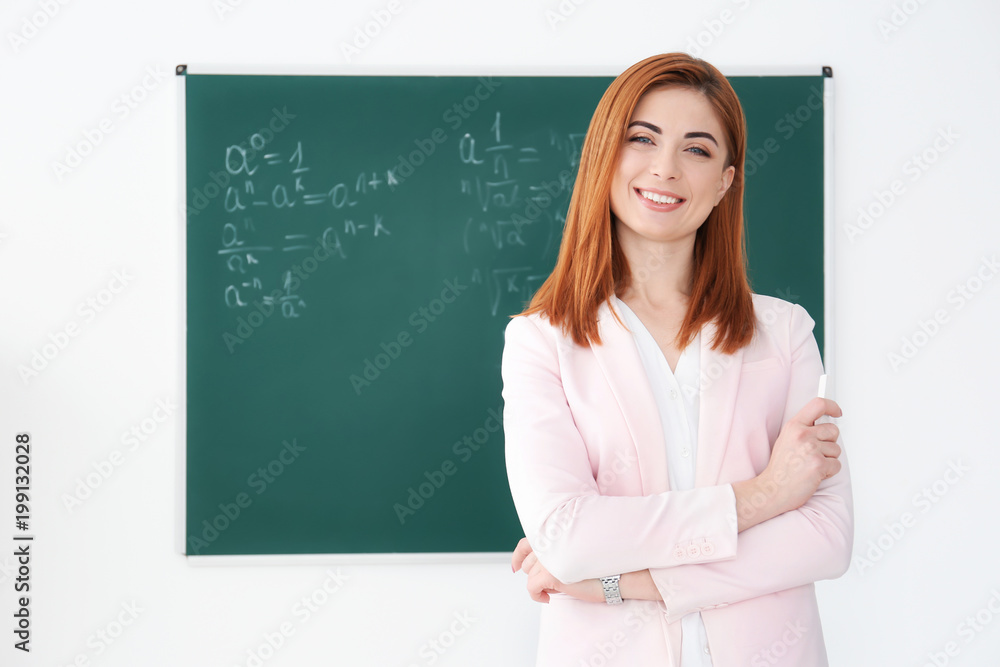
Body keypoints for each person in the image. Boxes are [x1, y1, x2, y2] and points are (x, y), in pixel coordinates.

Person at [501, 53, 852, 667]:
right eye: (642, 139)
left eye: (697, 149)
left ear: (725, 182)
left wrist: (623, 581)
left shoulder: (785, 332)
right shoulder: (542, 340)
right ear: (606, 156)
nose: (664, 168)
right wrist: (766, 495)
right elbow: (568, 536)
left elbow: (825, 540)